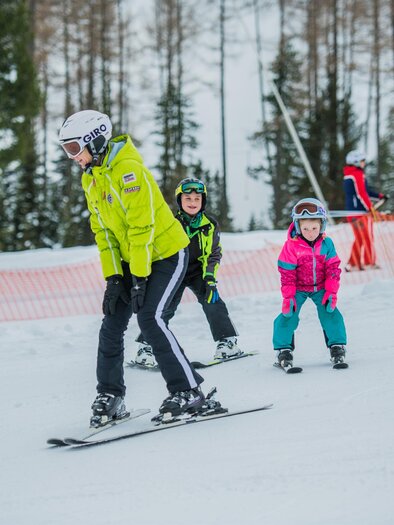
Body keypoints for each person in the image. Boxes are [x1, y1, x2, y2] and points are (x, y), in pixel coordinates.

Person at [58, 109, 212, 426]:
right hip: (134, 258)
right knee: (112, 322)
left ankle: (189, 390)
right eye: (67, 150)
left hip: (166, 253)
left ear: (95, 141)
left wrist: (140, 278)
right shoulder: (92, 179)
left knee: (150, 317)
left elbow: (142, 226)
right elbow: (104, 234)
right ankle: (111, 395)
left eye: (74, 148)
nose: (72, 157)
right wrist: (115, 278)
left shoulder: (129, 171)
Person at [133, 177, 242, 368]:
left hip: (197, 270)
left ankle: (227, 342)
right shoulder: (170, 223)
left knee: (212, 300)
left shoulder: (209, 224)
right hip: (173, 268)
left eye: (197, 199)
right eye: (188, 199)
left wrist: (209, 278)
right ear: (180, 201)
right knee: (163, 306)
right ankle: (146, 346)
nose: (192, 203)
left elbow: (214, 253)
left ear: (203, 202)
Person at [272, 198, 347, 368]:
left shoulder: (327, 244)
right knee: (287, 316)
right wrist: (289, 297)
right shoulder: (291, 246)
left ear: (322, 225)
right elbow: (287, 272)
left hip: (321, 287)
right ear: (298, 227)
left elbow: (333, 269)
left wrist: (331, 292)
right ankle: (283, 350)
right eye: (305, 228)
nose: (310, 232)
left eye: (314, 228)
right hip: (298, 288)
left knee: (331, 313)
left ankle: (337, 347)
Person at [343, 150, 387, 271]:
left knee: (360, 238)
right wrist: (370, 208)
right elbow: (361, 194)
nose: (364, 163)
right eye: (362, 161)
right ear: (356, 162)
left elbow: (365, 192)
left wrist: (379, 196)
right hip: (359, 212)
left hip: (353, 212)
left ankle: (353, 264)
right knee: (366, 237)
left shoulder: (349, 173)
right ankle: (368, 263)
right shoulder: (356, 174)